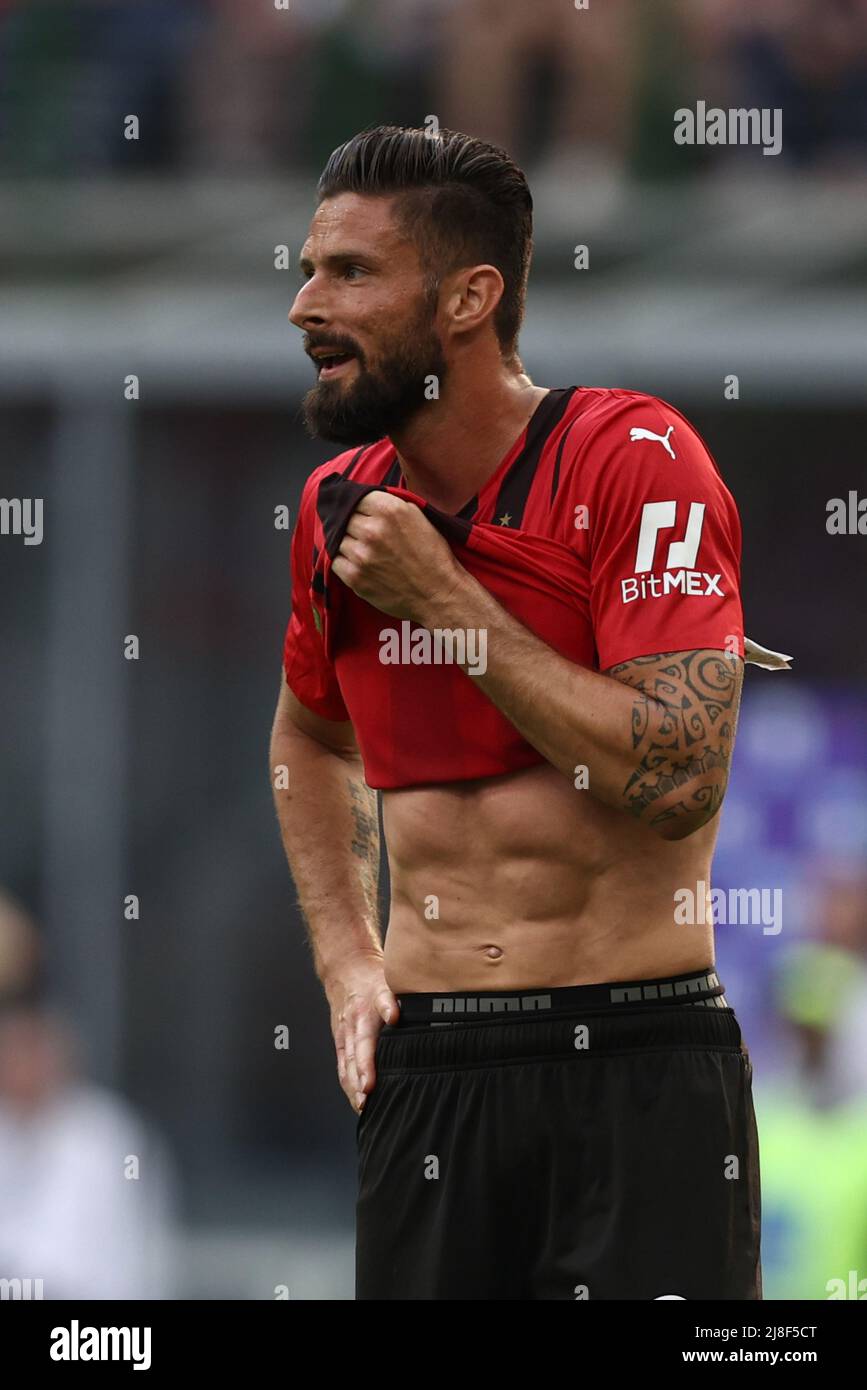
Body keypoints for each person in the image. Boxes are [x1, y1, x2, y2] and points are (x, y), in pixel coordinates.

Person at [270, 125, 782, 1300]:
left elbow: (679, 775)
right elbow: (308, 733)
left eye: (349, 272)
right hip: (433, 1070)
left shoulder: (632, 458)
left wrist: (443, 600)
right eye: (307, 269)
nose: (306, 305)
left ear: (470, 296)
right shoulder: (336, 507)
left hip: (640, 1061)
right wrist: (349, 961)